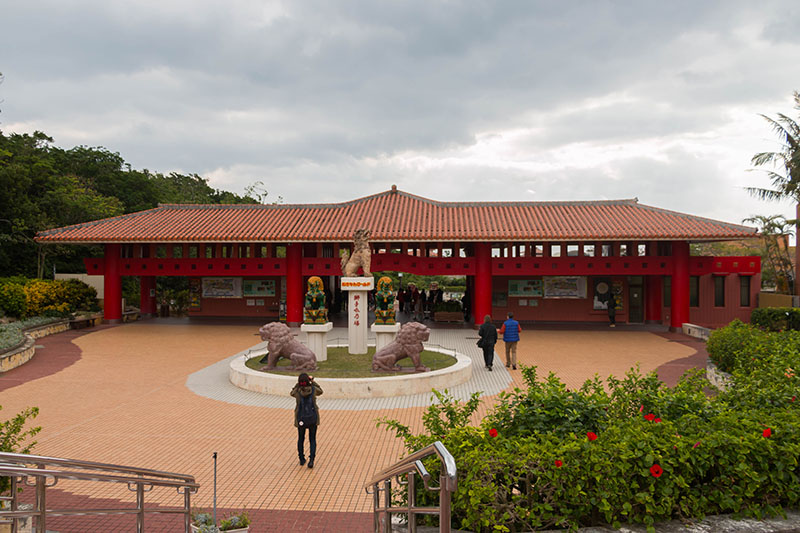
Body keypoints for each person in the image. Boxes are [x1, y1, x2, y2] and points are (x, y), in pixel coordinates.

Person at [290, 373, 323, 468]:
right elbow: (321, 391)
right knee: (312, 439)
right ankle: (311, 460)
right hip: (312, 418)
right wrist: (313, 382)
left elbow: (291, 392)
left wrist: (298, 384)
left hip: (301, 418)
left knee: (301, 438)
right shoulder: (313, 389)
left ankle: (301, 459)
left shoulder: (297, 391)